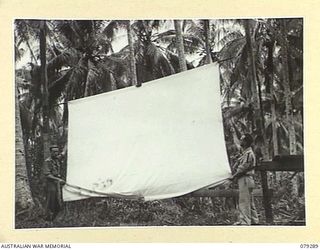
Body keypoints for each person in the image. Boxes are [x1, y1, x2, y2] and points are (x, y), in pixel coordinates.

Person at [229, 134, 259, 225]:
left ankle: (245, 222)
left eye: (242, 140)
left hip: (245, 179)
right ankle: (254, 220)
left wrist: (233, 177)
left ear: (245, 142)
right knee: (249, 201)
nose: (240, 141)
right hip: (247, 179)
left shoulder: (248, 154)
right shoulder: (246, 153)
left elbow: (243, 168)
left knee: (244, 201)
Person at [43, 144, 65, 221]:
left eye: (57, 152)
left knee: (57, 200)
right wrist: (58, 180)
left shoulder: (57, 159)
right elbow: (47, 175)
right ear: (51, 152)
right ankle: (46, 218)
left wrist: (66, 145)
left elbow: (63, 153)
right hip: (50, 184)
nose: (56, 153)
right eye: (54, 152)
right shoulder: (47, 161)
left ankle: (54, 218)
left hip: (57, 183)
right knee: (50, 200)